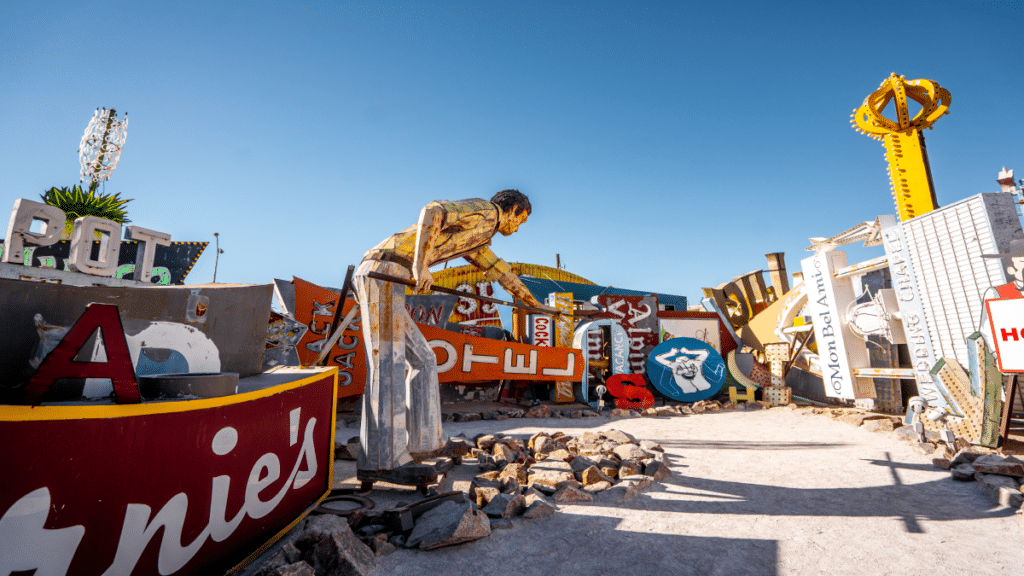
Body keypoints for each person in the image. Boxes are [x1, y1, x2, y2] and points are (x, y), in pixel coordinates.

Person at [353, 189, 550, 487]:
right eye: (520, 221)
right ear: (513, 210)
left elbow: (503, 275)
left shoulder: (479, 238)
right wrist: (420, 266)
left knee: (424, 359)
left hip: (389, 272)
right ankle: (381, 461)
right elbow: (433, 211)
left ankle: (426, 441)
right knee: (388, 363)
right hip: (384, 270)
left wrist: (536, 305)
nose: (517, 228)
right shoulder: (486, 212)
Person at [979, 239, 1024, 351]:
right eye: (1022, 261)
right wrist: (997, 354)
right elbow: (987, 330)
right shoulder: (997, 293)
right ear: (1011, 269)